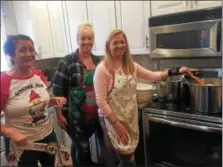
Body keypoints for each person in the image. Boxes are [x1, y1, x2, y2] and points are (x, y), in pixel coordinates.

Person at [93, 29, 191, 167]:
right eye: (115, 43)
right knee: (126, 159)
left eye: (122, 42)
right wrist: (117, 125)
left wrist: (175, 71)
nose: (120, 45)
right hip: (112, 120)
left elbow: (152, 75)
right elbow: (101, 102)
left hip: (129, 117)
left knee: (128, 156)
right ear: (108, 46)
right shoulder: (103, 69)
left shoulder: (130, 65)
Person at [0, 34, 67, 167]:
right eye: (22, 50)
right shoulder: (4, 82)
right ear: (11, 55)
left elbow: (39, 104)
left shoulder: (38, 75)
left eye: (31, 49)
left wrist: (54, 100)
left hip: (48, 136)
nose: (29, 53)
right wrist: (11, 132)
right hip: (22, 144)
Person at [52, 22, 101, 166]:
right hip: (72, 116)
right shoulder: (67, 62)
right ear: (77, 40)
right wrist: (59, 115)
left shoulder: (98, 61)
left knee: (77, 145)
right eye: (83, 38)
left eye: (89, 38)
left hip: (92, 114)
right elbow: (57, 90)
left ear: (93, 39)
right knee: (84, 148)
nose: (86, 42)